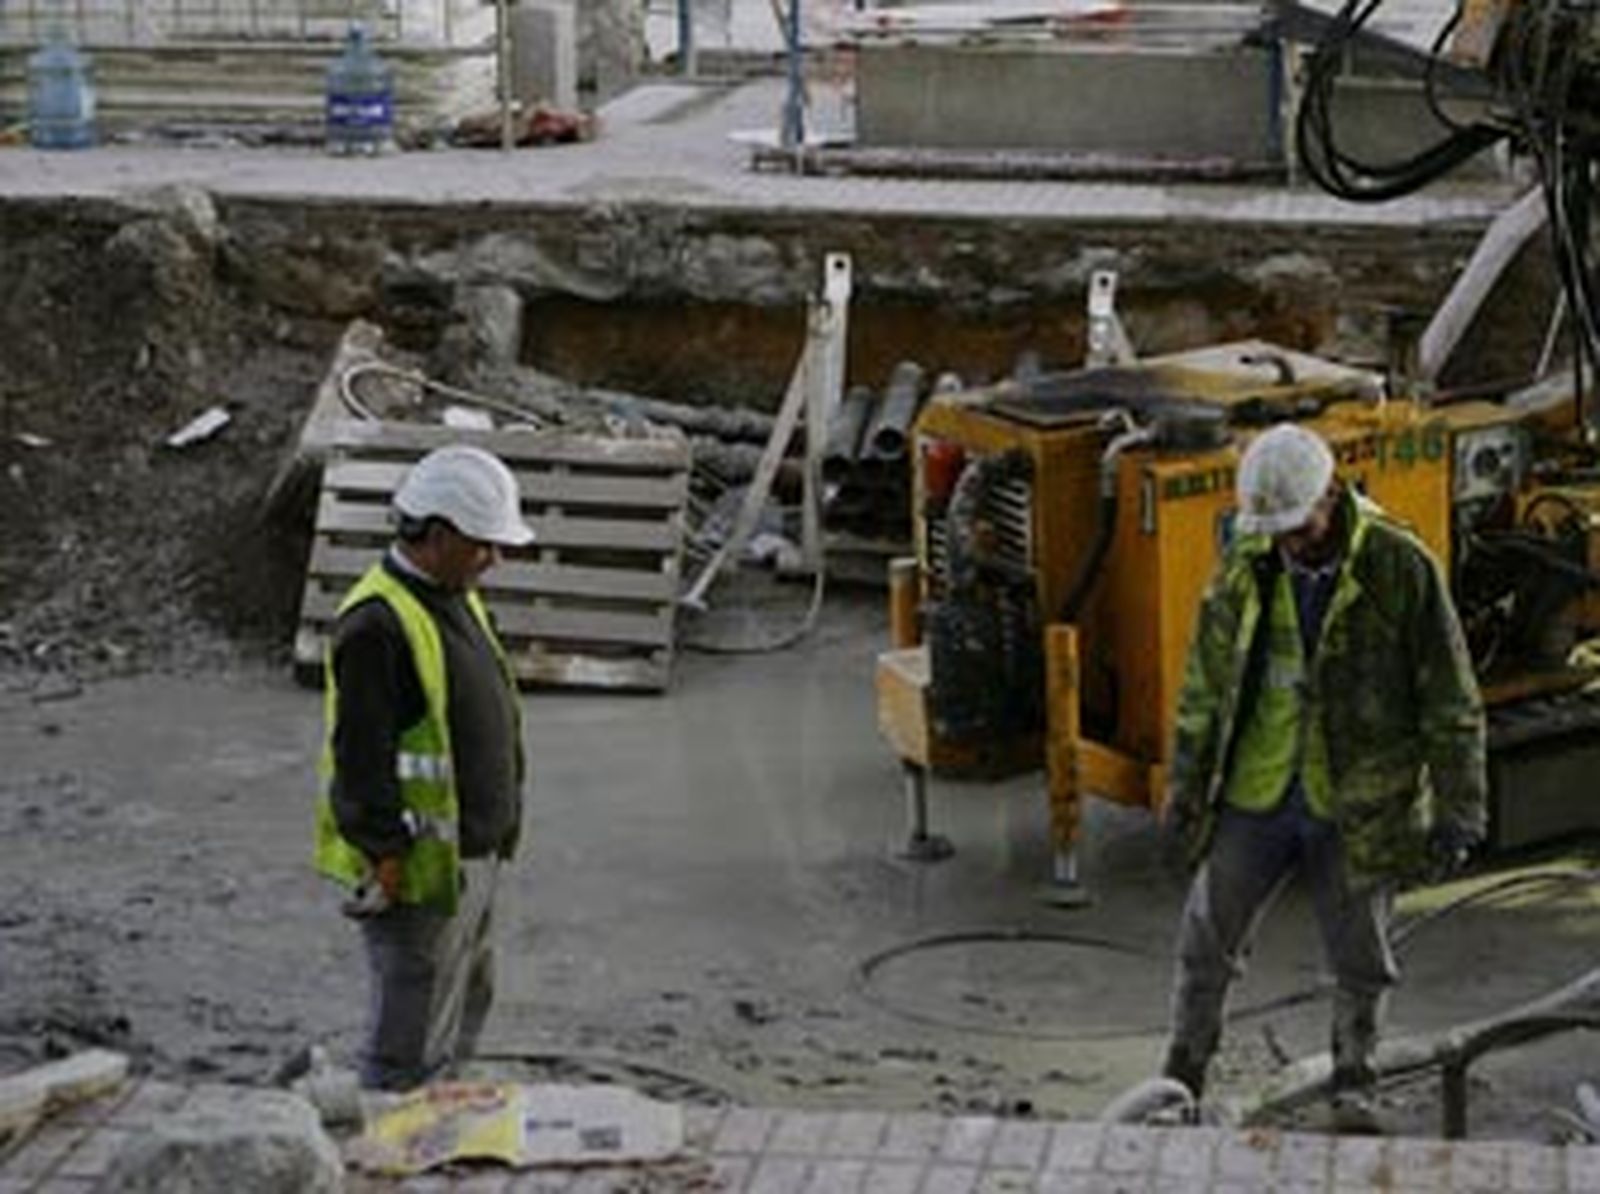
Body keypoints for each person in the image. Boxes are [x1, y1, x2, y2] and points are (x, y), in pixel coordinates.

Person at [1159, 422, 1487, 1130]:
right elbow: (1203, 687)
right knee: (1204, 944)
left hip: (1358, 801)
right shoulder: (1247, 561)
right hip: (1257, 791)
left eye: (1299, 526)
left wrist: (1461, 810)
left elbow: (1450, 699)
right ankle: (1180, 1079)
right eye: (1275, 529)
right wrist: (1184, 792)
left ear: (1331, 496)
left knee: (1361, 958)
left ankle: (1354, 1084)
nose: (1289, 541)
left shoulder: (1400, 568)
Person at [313, 444, 533, 1091]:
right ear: (435, 535)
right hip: (416, 866)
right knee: (410, 1010)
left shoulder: (453, 591)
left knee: (468, 987)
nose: (496, 559)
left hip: (474, 852)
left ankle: (446, 1103)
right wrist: (385, 853)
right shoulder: (377, 624)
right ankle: (391, 1124)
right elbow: (360, 758)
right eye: (484, 544)